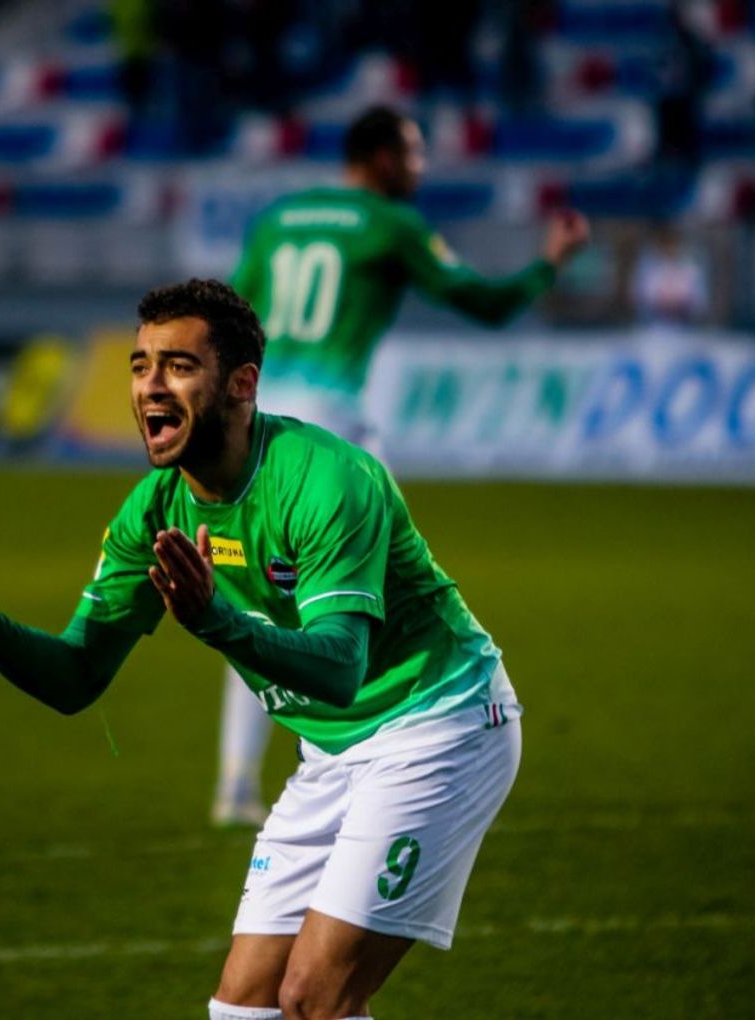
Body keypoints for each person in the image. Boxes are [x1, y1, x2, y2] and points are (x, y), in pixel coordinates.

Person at [0, 279, 523, 1019]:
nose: (150, 386)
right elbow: (75, 677)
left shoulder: (328, 479)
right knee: (242, 1009)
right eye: (140, 365)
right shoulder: (153, 510)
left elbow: (341, 669)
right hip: (331, 753)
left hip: (438, 725)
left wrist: (216, 620)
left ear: (241, 384)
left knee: (315, 999)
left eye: (179, 366)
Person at [213, 104, 588, 825]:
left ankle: (236, 781)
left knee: (261, 600)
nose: (421, 167)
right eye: (413, 153)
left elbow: (226, 319)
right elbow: (484, 302)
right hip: (331, 429)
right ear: (382, 157)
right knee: (369, 601)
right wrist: (550, 262)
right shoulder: (391, 225)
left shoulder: (279, 219)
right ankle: (371, 759)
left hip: (253, 421)